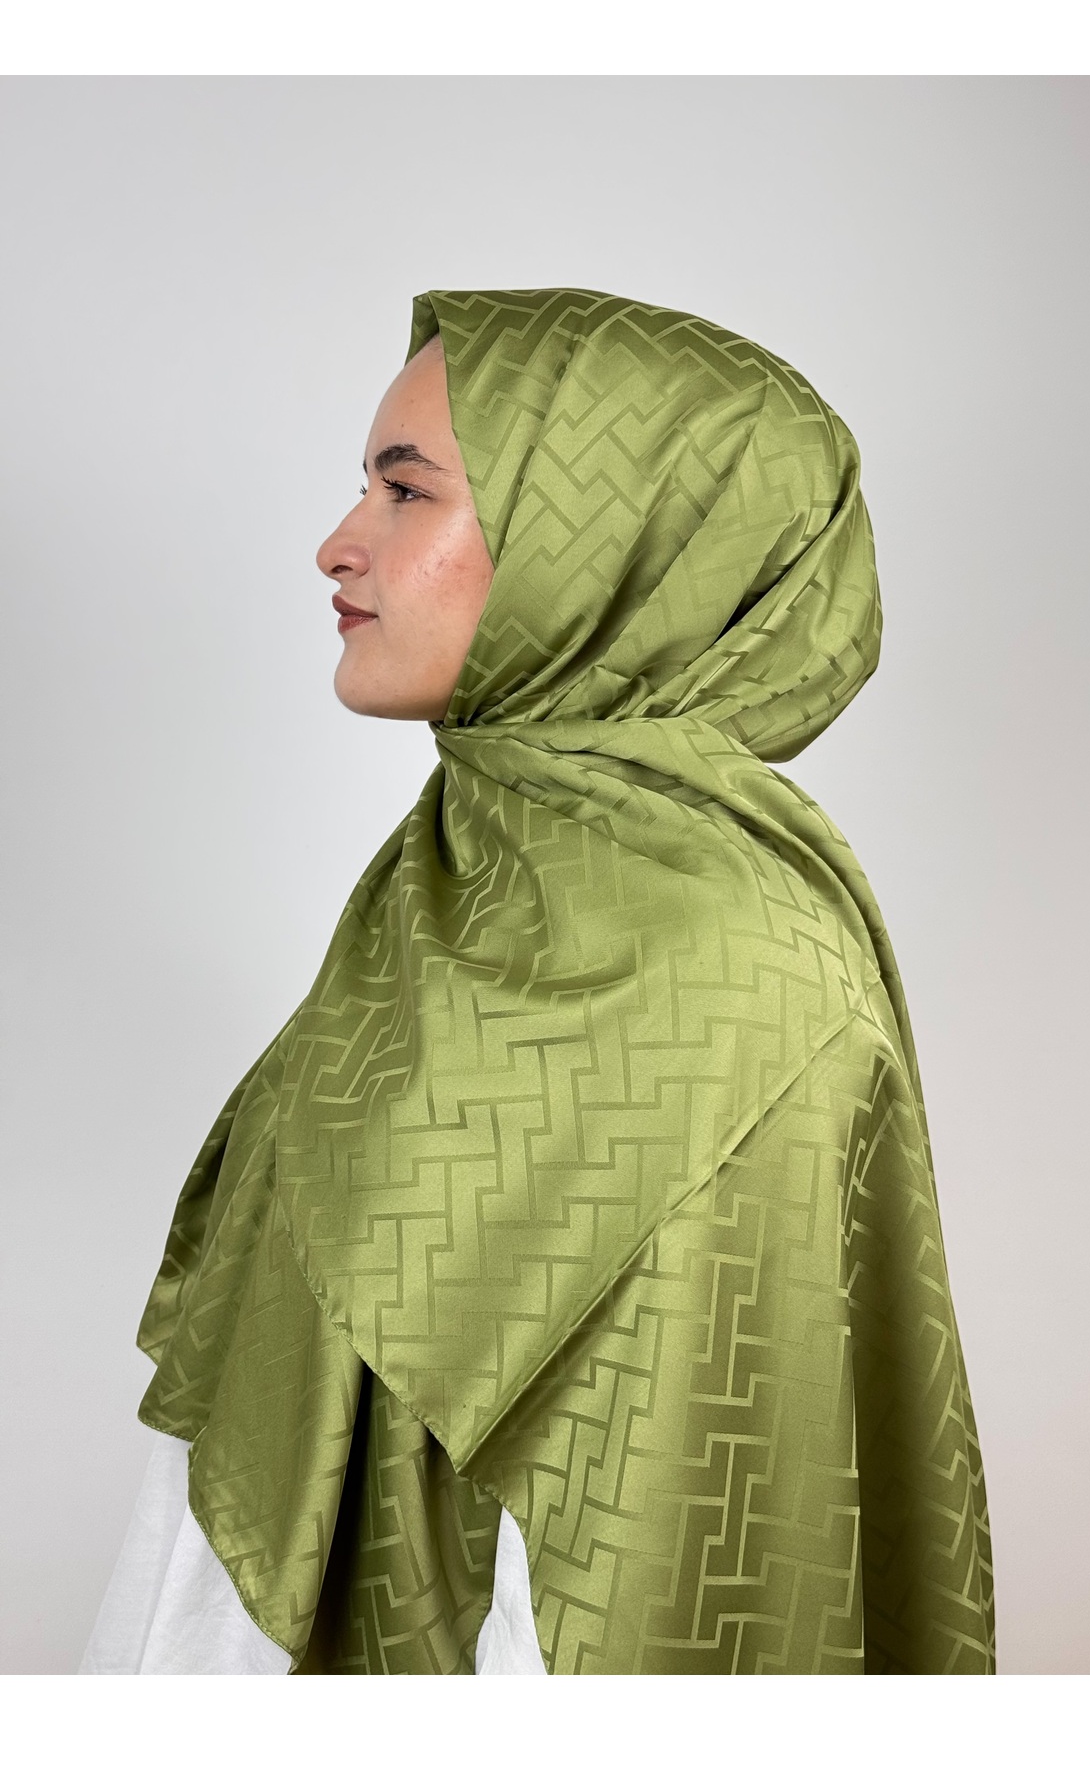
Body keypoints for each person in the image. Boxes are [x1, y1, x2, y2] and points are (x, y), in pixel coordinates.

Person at [81, 287, 995, 1676]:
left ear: (607, 549)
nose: (339, 543)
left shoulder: (744, 981)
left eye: (406, 491)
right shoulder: (447, 882)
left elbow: (667, 1559)